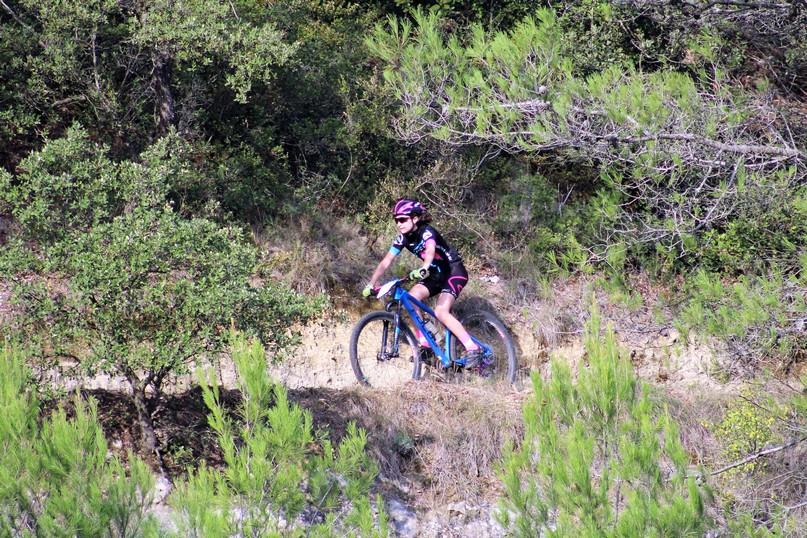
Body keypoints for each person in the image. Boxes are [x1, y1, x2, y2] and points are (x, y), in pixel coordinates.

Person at [362, 197, 483, 368]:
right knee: (411, 300)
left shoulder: (427, 231)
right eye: (396, 220)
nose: (399, 224)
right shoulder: (403, 238)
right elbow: (386, 261)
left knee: (440, 311)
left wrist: (424, 267)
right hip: (437, 275)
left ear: (415, 218)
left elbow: (430, 249)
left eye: (402, 219)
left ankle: (473, 348)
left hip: (453, 271)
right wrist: (371, 284)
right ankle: (425, 344)